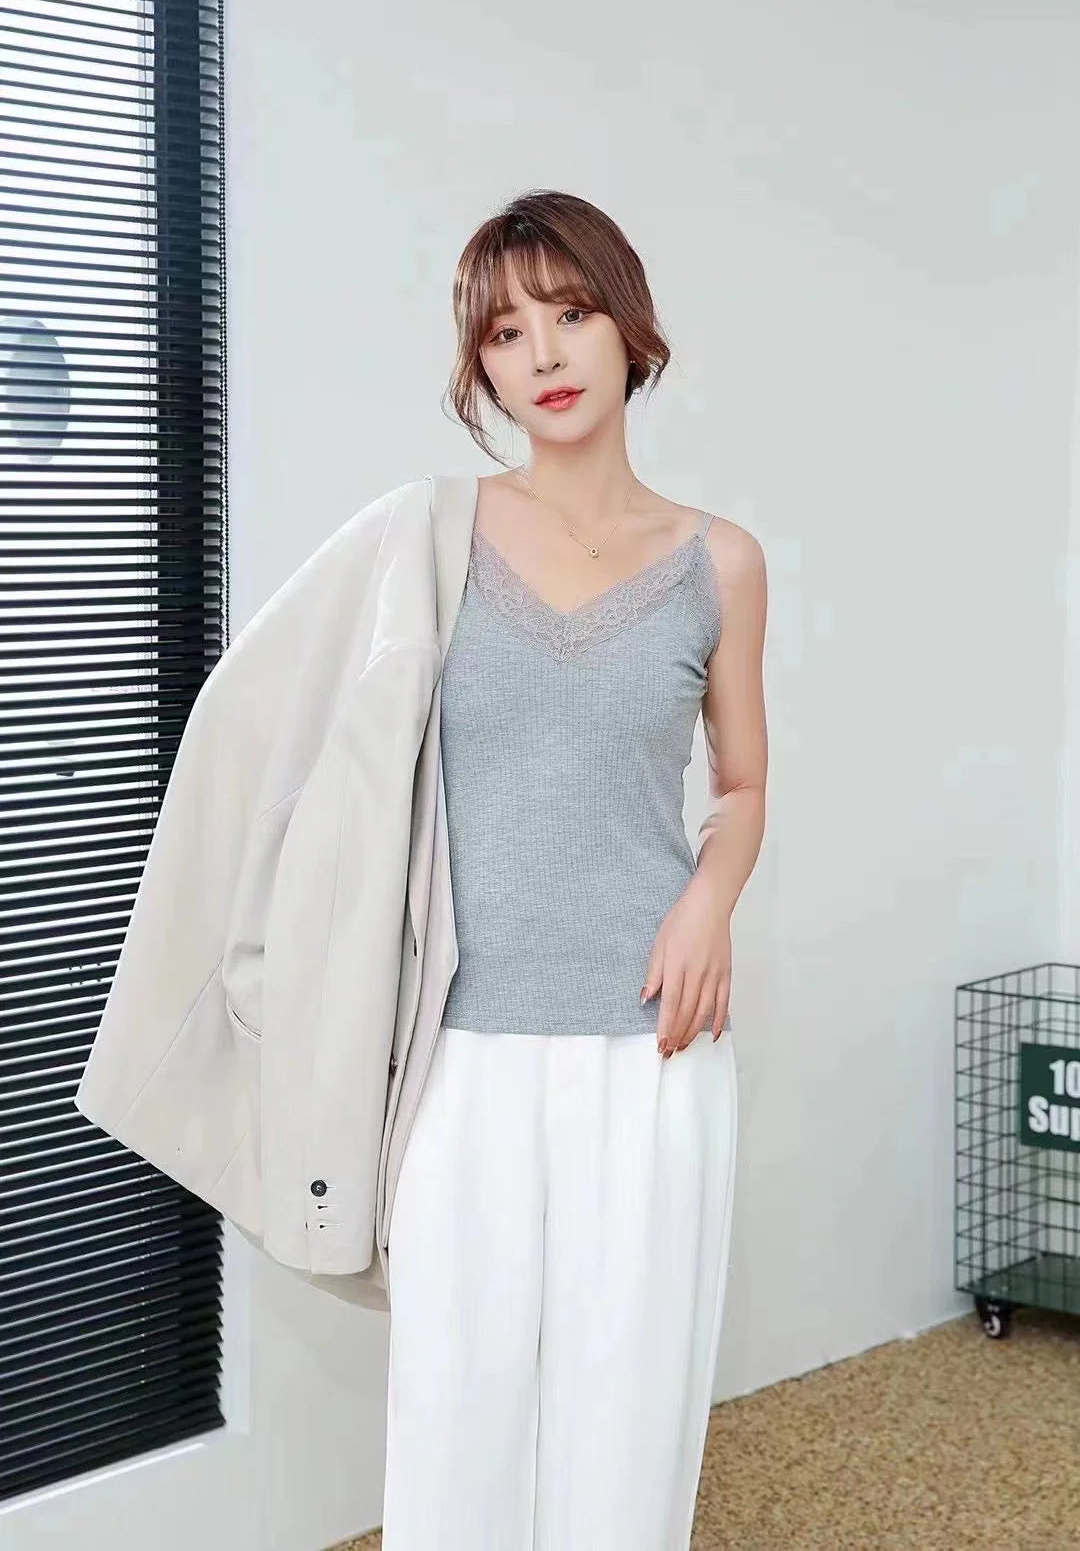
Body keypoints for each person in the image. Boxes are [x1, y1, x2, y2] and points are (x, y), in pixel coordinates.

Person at [380, 188, 769, 1550]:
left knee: (625, 1432)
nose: (541, 354)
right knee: (455, 1428)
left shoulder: (720, 563)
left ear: (628, 327)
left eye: (570, 313)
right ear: (478, 368)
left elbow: (741, 786)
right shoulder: (429, 540)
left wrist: (711, 897)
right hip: (459, 1049)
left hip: (648, 1047)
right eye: (504, 332)